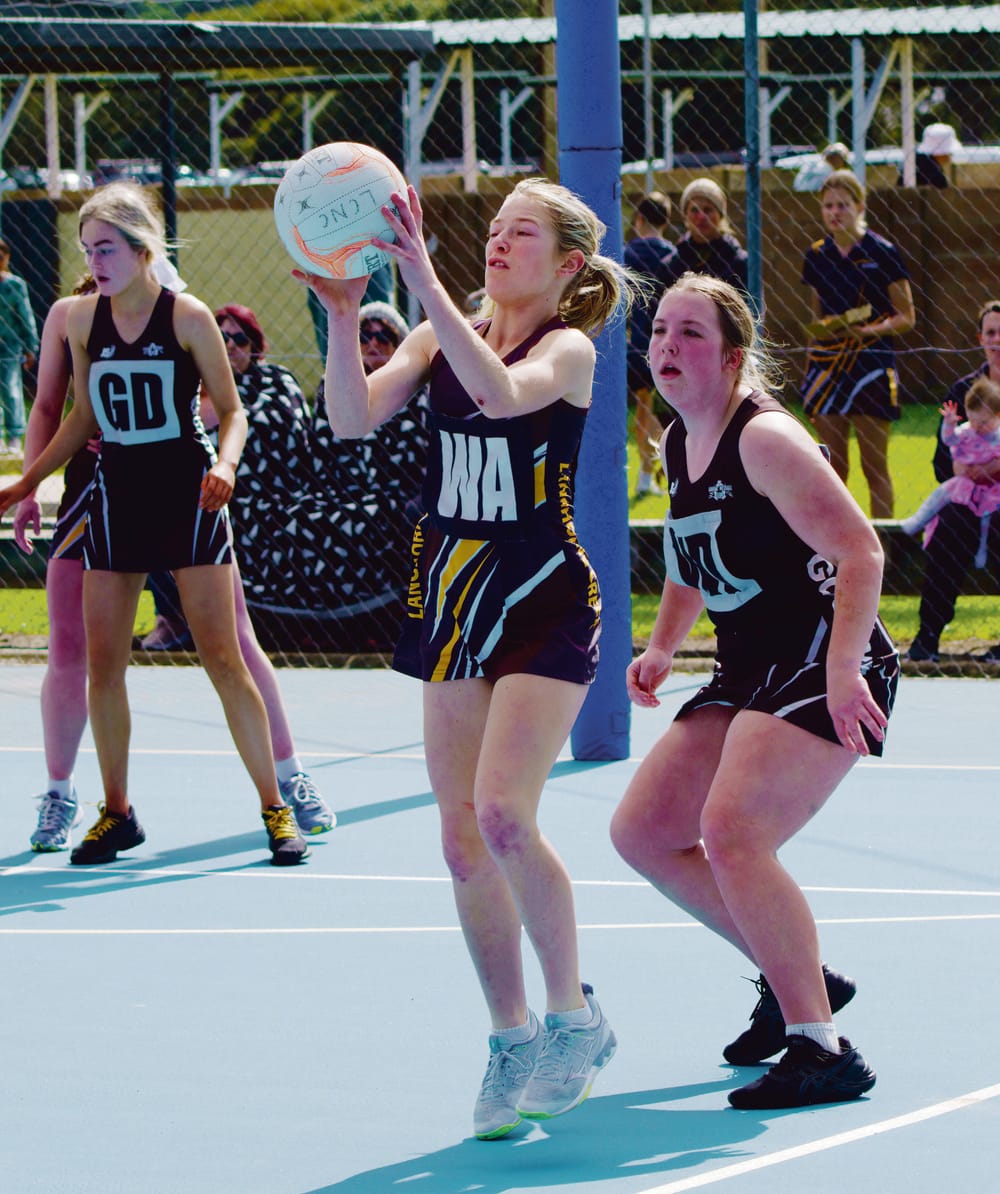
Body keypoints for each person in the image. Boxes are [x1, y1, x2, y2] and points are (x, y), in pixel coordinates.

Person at [299, 177, 639, 1139]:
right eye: (492, 228)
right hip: (450, 590)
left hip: (541, 596)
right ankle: (511, 1036)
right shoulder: (431, 331)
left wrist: (423, 280)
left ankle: (575, 1016)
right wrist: (336, 316)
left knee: (501, 814)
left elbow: (497, 393)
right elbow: (350, 419)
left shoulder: (566, 348)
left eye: (519, 232)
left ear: (565, 264)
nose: (498, 241)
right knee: (458, 839)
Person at [610, 273, 899, 1110]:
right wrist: (664, 643)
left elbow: (862, 553)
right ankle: (793, 973)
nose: (668, 346)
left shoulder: (766, 439)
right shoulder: (675, 440)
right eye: (662, 330)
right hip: (747, 663)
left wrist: (844, 671)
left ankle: (822, 1048)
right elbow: (689, 551)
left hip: (822, 652)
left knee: (731, 832)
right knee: (644, 832)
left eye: (692, 334)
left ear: (733, 358)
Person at [0, 181, 309, 867]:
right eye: (87, 249)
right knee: (104, 668)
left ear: (143, 250)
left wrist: (226, 465)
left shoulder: (187, 317)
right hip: (117, 501)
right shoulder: (82, 322)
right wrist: (28, 479)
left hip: (186, 497)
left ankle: (275, 805)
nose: (95, 260)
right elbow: (83, 415)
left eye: (106, 247)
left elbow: (233, 410)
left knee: (223, 658)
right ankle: (118, 813)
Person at [800, 169, 916, 519]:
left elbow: (907, 317)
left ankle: (885, 559)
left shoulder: (883, 251)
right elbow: (815, 320)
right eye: (828, 205)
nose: (835, 212)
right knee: (832, 473)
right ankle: (836, 558)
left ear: (860, 206)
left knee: (874, 470)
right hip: (828, 368)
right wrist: (810, 375)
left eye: (843, 205)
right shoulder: (817, 254)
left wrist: (868, 332)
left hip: (871, 366)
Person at [908, 300, 1000, 663]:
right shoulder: (964, 390)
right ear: (980, 339)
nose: (998, 340)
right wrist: (964, 472)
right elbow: (941, 458)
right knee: (948, 527)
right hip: (969, 495)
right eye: (991, 333)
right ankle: (928, 635)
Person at [900, 379, 1000, 548]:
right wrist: (949, 424)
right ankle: (917, 521)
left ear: (998, 416)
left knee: (991, 520)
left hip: (994, 487)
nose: (977, 427)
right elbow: (949, 439)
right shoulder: (968, 430)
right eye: (972, 420)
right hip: (967, 483)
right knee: (942, 493)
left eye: (983, 422)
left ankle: (983, 550)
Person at [624, 191, 675, 497]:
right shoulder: (673, 253)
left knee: (645, 408)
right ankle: (647, 472)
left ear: (639, 219)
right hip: (668, 343)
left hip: (636, 341)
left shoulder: (627, 253)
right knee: (648, 408)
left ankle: (656, 464)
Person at [658, 178, 748, 300]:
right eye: (694, 210)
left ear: (720, 215)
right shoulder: (671, 266)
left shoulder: (739, 263)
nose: (701, 217)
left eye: (708, 210)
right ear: (685, 216)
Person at [0, 238, 39, 456]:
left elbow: (25, 316)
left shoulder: (14, 285)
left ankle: (13, 436)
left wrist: (30, 346)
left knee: (9, 389)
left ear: (7, 258)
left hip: (9, 345)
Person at [897, 122, 960, 189]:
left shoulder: (917, 160)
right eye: (948, 152)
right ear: (940, 152)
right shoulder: (934, 173)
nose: (951, 154)